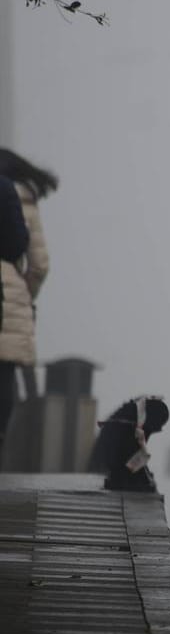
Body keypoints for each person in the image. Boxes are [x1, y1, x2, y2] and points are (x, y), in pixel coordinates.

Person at [0, 151, 42, 446]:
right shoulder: (15, 195)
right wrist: (27, 294)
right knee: (4, 373)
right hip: (11, 294)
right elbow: (38, 263)